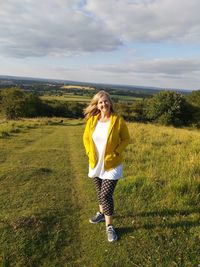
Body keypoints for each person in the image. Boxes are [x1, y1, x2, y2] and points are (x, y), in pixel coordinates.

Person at [83, 90, 130, 242]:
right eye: (100, 102)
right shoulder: (92, 120)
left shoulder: (117, 120)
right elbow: (86, 138)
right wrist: (89, 153)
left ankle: (109, 226)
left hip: (112, 163)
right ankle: (101, 214)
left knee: (105, 195)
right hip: (95, 163)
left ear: (110, 103)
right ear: (96, 105)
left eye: (106, 101)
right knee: (99, 191)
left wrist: (117, 151)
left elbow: (126, 139)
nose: (103, 104)